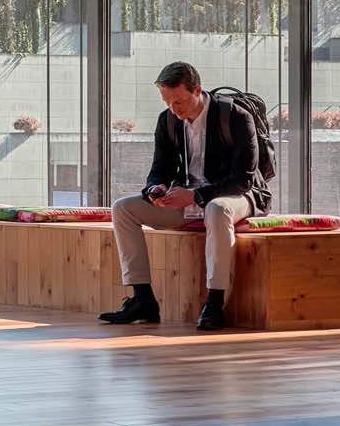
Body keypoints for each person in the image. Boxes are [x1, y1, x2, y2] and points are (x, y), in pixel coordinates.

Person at [100, 61, 270, 331]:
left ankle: (215, 302)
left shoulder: (235, 117)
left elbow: (243, 179)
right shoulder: (167, 120)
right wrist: (154, 190)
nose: (173, 108)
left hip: (237, 196)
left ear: (197, 90)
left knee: (217, 210)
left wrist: (195, 196)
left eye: (178, 101)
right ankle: (142, 299)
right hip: (189, 198)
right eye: (167, 101)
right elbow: (159, 171)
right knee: (123, 208)